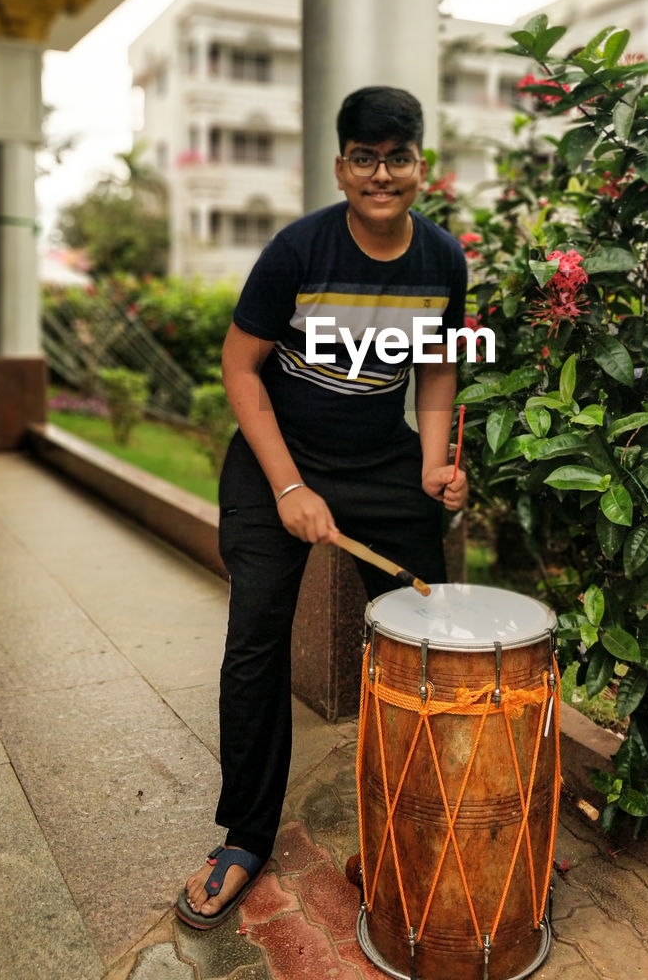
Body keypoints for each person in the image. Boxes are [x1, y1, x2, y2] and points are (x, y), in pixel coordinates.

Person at [178, 85, 468, 928]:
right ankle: (244, 835)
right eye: (365, 158)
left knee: (425, 635)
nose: (383, 174)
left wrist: (432, 465)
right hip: (279, 457)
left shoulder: (442, 260)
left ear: (420, 166)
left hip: (379, 457)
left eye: (399, 157)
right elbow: (240, 371)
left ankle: (417, 817)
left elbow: (437, 369)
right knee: (255, 645)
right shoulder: (296, 252)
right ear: (343, 166)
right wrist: (291, 489)